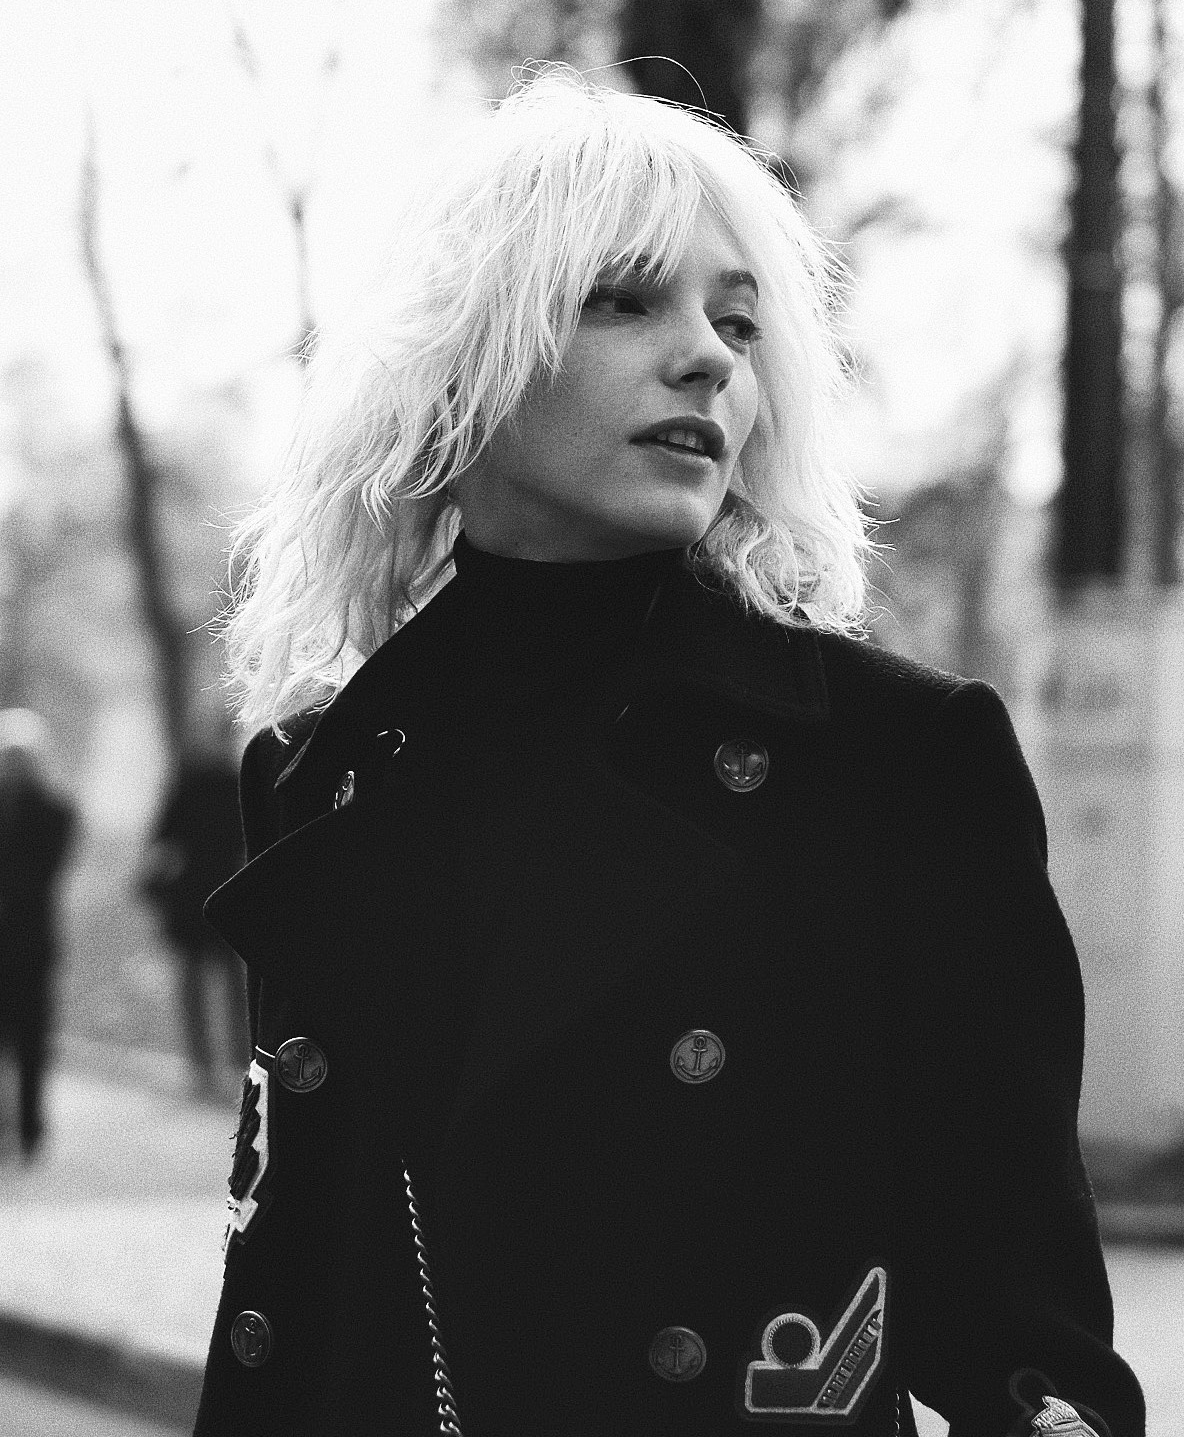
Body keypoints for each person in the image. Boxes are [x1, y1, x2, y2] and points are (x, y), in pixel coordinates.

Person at [194, 71, 1144, 1437]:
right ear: (460, 356)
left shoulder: (893, 762)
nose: (708, 358)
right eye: (623, 300)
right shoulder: (321, 775)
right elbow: (311, 1296)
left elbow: (1022, 1337)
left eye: (738, 322)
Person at [140, 740, 250, 1098]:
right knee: (234, 985)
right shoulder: (237, 779)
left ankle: (204, 1067)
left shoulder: (187, 783)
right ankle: (238, 1063)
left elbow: (162, 835)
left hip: (192, 895)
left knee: (196, 985)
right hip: (229, 892)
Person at [0, 708, 75, 1159]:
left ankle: (27, 1126)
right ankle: (20, 1127)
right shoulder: (57, 811)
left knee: (29, 1038)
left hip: (29, 939)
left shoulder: (54, 811)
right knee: (28, 1037)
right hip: (31, 938)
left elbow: (45, 870)